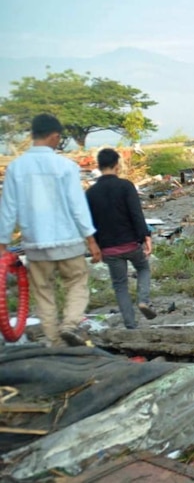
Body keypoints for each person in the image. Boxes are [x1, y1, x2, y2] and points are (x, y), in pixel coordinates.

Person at [0, 113, 102, 347]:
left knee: (44, 294)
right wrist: (92, 240)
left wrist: (3, 245)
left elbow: (7, 209)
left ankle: (54, 343)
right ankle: (70, 324)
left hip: (35, 245)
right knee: (77, 283)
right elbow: (78, 206)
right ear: (55, 136)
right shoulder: (65, 166)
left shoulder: (16, 168)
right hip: (69, 242)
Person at [86, 148, 156, 329]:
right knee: (143, 269)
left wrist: (95, 246)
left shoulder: (91, 193)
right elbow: (136, 214)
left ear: (99, 166)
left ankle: (130, 324)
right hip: (131, 244)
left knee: (120, 285)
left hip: (109, 249)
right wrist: (146, 237)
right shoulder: (126, 186)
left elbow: (89, 223)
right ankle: (143, 301)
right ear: (117, 165)